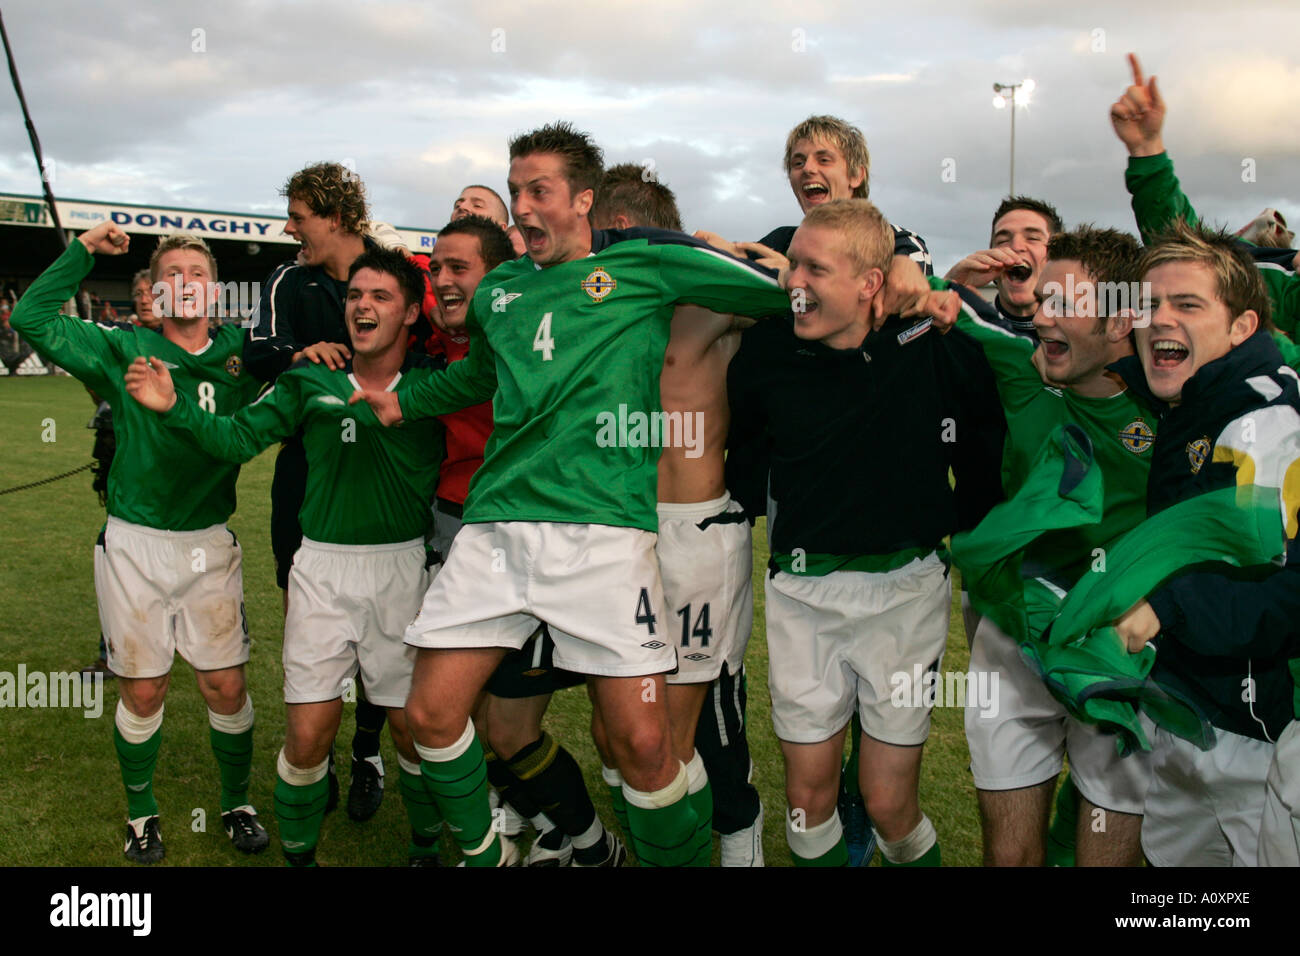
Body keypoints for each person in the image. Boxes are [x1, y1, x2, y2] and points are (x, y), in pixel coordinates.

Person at [353, 120, 790, 867]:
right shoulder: (502, 290)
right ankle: (490, 856)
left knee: (644, 745)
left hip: (605, 539)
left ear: (584, 199)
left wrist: (761, 256)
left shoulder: (645, 269)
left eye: (539, 191)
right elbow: (479, 378)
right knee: (430, 716)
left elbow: (784, 292)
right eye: (515, 190)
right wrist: (404, 399)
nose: (522, 207)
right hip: (493, 532)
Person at [126, 246, 450, 867]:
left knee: (410, 729)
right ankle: (300, 857)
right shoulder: (311, 380)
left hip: (404, 570)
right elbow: (239, 436)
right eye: (355, 295)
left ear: (411, 313)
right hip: (321, 570)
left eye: (381, 297)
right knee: (306, 736)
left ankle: (424, 847)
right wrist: (176, 408)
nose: (362, 305)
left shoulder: (438, 385)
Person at [726, 198, 1003, 866]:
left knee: (887, 806)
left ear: (870, 282)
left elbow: (983, 446)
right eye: (793, 265)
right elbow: (746, 451)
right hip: (800, 597)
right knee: (806, 801)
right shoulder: (766, 348)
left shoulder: (935, 344)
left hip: (906, 596)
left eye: (814, 269)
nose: (795, 283)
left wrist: (939, 284)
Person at [10, 222, 268, 863]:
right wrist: (82, 252)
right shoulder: (122, 348)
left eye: (199, 276)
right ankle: (142, 814)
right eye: (172, 276)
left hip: (209, 543)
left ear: (215, 293)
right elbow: (32, 318)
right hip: (134, 545)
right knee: (144, 689)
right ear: (154, 288)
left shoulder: (245, 351)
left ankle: (236, 804)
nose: (186, 285)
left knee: (225, 687)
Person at [938, 226, 1154, 865]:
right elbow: (932, 301)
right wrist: (938, 283)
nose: (1042, 316)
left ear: (1120, 326)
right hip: (1013, 642)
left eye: (1066, 304)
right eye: (1043, 300)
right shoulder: (1021, 366)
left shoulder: (1168, 410)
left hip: (1115, 648)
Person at [423, 213, 622, 867]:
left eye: (462, 269)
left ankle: (585, 842)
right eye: (437, 268)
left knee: (506, 725)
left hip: (531, 541)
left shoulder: (542, 329)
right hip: (454, 533)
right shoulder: (448, 344)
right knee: (465, 718)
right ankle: (537, 829)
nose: (447, 282)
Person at [1104, 222, 1300, 866]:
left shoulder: (1265, 416)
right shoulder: (1190, 396)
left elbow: (1279, 588)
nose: (1162, 319)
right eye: (1151, 304)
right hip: (1189, 710)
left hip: (1267, 737)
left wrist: (1165, 607)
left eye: (1188, 305)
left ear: (1242, 327)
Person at [590, 161, 766, 866]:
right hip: (622, 533)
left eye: (595, 228)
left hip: (696, 533)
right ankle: (657, 840)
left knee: (673, 738)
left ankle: (726, 841)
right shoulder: (597, 307)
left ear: (624, 228)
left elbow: (806, 291)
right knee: (617, 736)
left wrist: (727, 250)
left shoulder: (709, 297)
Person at [244, 161, 388, 821]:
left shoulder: (389, 273)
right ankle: (319, 753)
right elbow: (255, 354)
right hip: (304, 470)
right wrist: (305, 356)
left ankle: (366, 753)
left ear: (334, 217)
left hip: (382, 475)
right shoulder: (287, 280)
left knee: (386, 631)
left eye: (299, 217)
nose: (289, 228)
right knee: (305, 615)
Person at [945, 197, 1064, 340]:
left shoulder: (1081, 332)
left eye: (1032, 238)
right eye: (1002, 240)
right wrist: (948, 287)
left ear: (1057, 255)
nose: (1015, 246)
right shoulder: (966, 329)